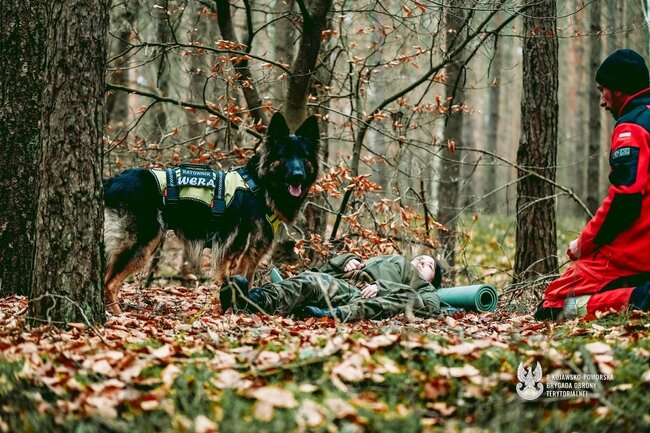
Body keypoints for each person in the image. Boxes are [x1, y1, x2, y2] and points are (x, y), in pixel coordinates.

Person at [535, 48, 650, 320]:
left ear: (619, 89)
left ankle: (641, 299)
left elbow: (625, 199)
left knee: (552, 304)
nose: (602, 101)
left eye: (603, 91)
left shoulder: (632, 128)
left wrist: (584, 243)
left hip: (634, 250)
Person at [219, 253, 443, 321]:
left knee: (316, 282)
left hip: (363, 298)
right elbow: (324, 269)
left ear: (432, 278)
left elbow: (429, 307)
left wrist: (383, 287)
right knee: (310, 279)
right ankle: (251, 300)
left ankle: (329, 315)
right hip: (346, 284)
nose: (423, 262)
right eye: (421, 258)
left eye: (429, 265)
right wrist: (347, 260)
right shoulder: (388, 260)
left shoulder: (425, 288)